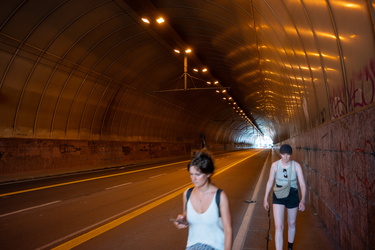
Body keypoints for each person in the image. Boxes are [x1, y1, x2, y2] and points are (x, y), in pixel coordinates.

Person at [173, 149, 232, 250]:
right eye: (191, 174)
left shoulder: (220, 196)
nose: (193, 178)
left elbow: (228, 230)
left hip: (216, 247)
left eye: (198, 174)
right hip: (192, 246)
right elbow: (187, 217)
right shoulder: (187, 194)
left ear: (208, 174)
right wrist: (182, 219)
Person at [263, 144, 306, 250]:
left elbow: (302, 184)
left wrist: (303, 200)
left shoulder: (296, 166)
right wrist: (265, 199)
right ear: (281, 154)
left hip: (292, 194)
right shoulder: (275, 165)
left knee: (291, 223)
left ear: (290, 155)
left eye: (288, 155)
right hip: (278, 194)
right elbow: (269, 182)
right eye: (283, 154)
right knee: (279, 226)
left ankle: (290, 247)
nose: (286, 157)